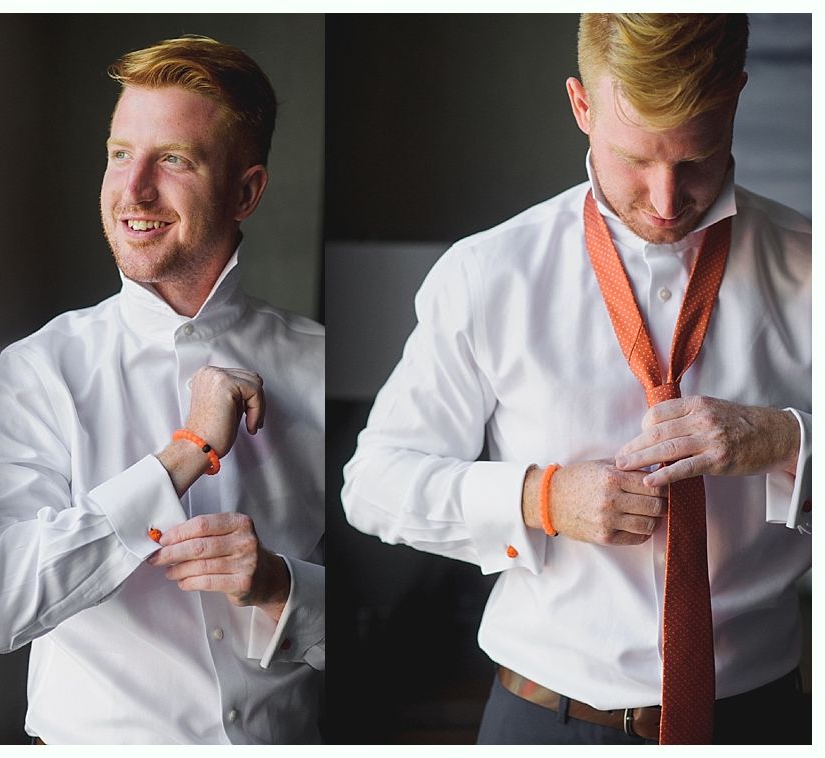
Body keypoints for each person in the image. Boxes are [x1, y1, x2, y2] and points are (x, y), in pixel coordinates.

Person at [342, 13, 809, 745]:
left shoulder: (812, 268)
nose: (666, 200)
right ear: (581, 106)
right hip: (547, 721)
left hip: (764, 722)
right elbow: (373, 485)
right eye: (636, 159)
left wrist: (787, 442)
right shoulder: (487, 275)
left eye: (695, 158)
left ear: (736, 100)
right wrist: (540, 497)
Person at [0, 36, 324, 745]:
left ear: (245, 191)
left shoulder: (317, 364)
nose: (134, 190)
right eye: (121, 154)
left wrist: (282, 588)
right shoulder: (38, 372)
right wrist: (183, 455)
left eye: (174, 159)